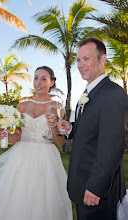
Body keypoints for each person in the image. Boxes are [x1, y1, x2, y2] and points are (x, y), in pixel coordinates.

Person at [0, 66, 73, 220]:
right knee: (17, 200)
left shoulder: (56, 107)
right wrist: (4, 134)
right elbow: (17, 137)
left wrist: (54, 127)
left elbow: (59, 142)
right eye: (36, 78)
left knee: (43, 202)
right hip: (20, 159)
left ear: (51, 82)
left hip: (45, 160)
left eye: (43, 79)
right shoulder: (22, 106)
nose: (38, 82)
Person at [57, 38, 128, 220]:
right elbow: (92, 130)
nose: (80, 65)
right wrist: (70, 129)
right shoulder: (90, 93)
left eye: (86, 59)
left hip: (97, 190)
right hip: (83, 182)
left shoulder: (112, 94)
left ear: (102, 59)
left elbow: (112, 146)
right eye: (78, 60)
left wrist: (96, 187)